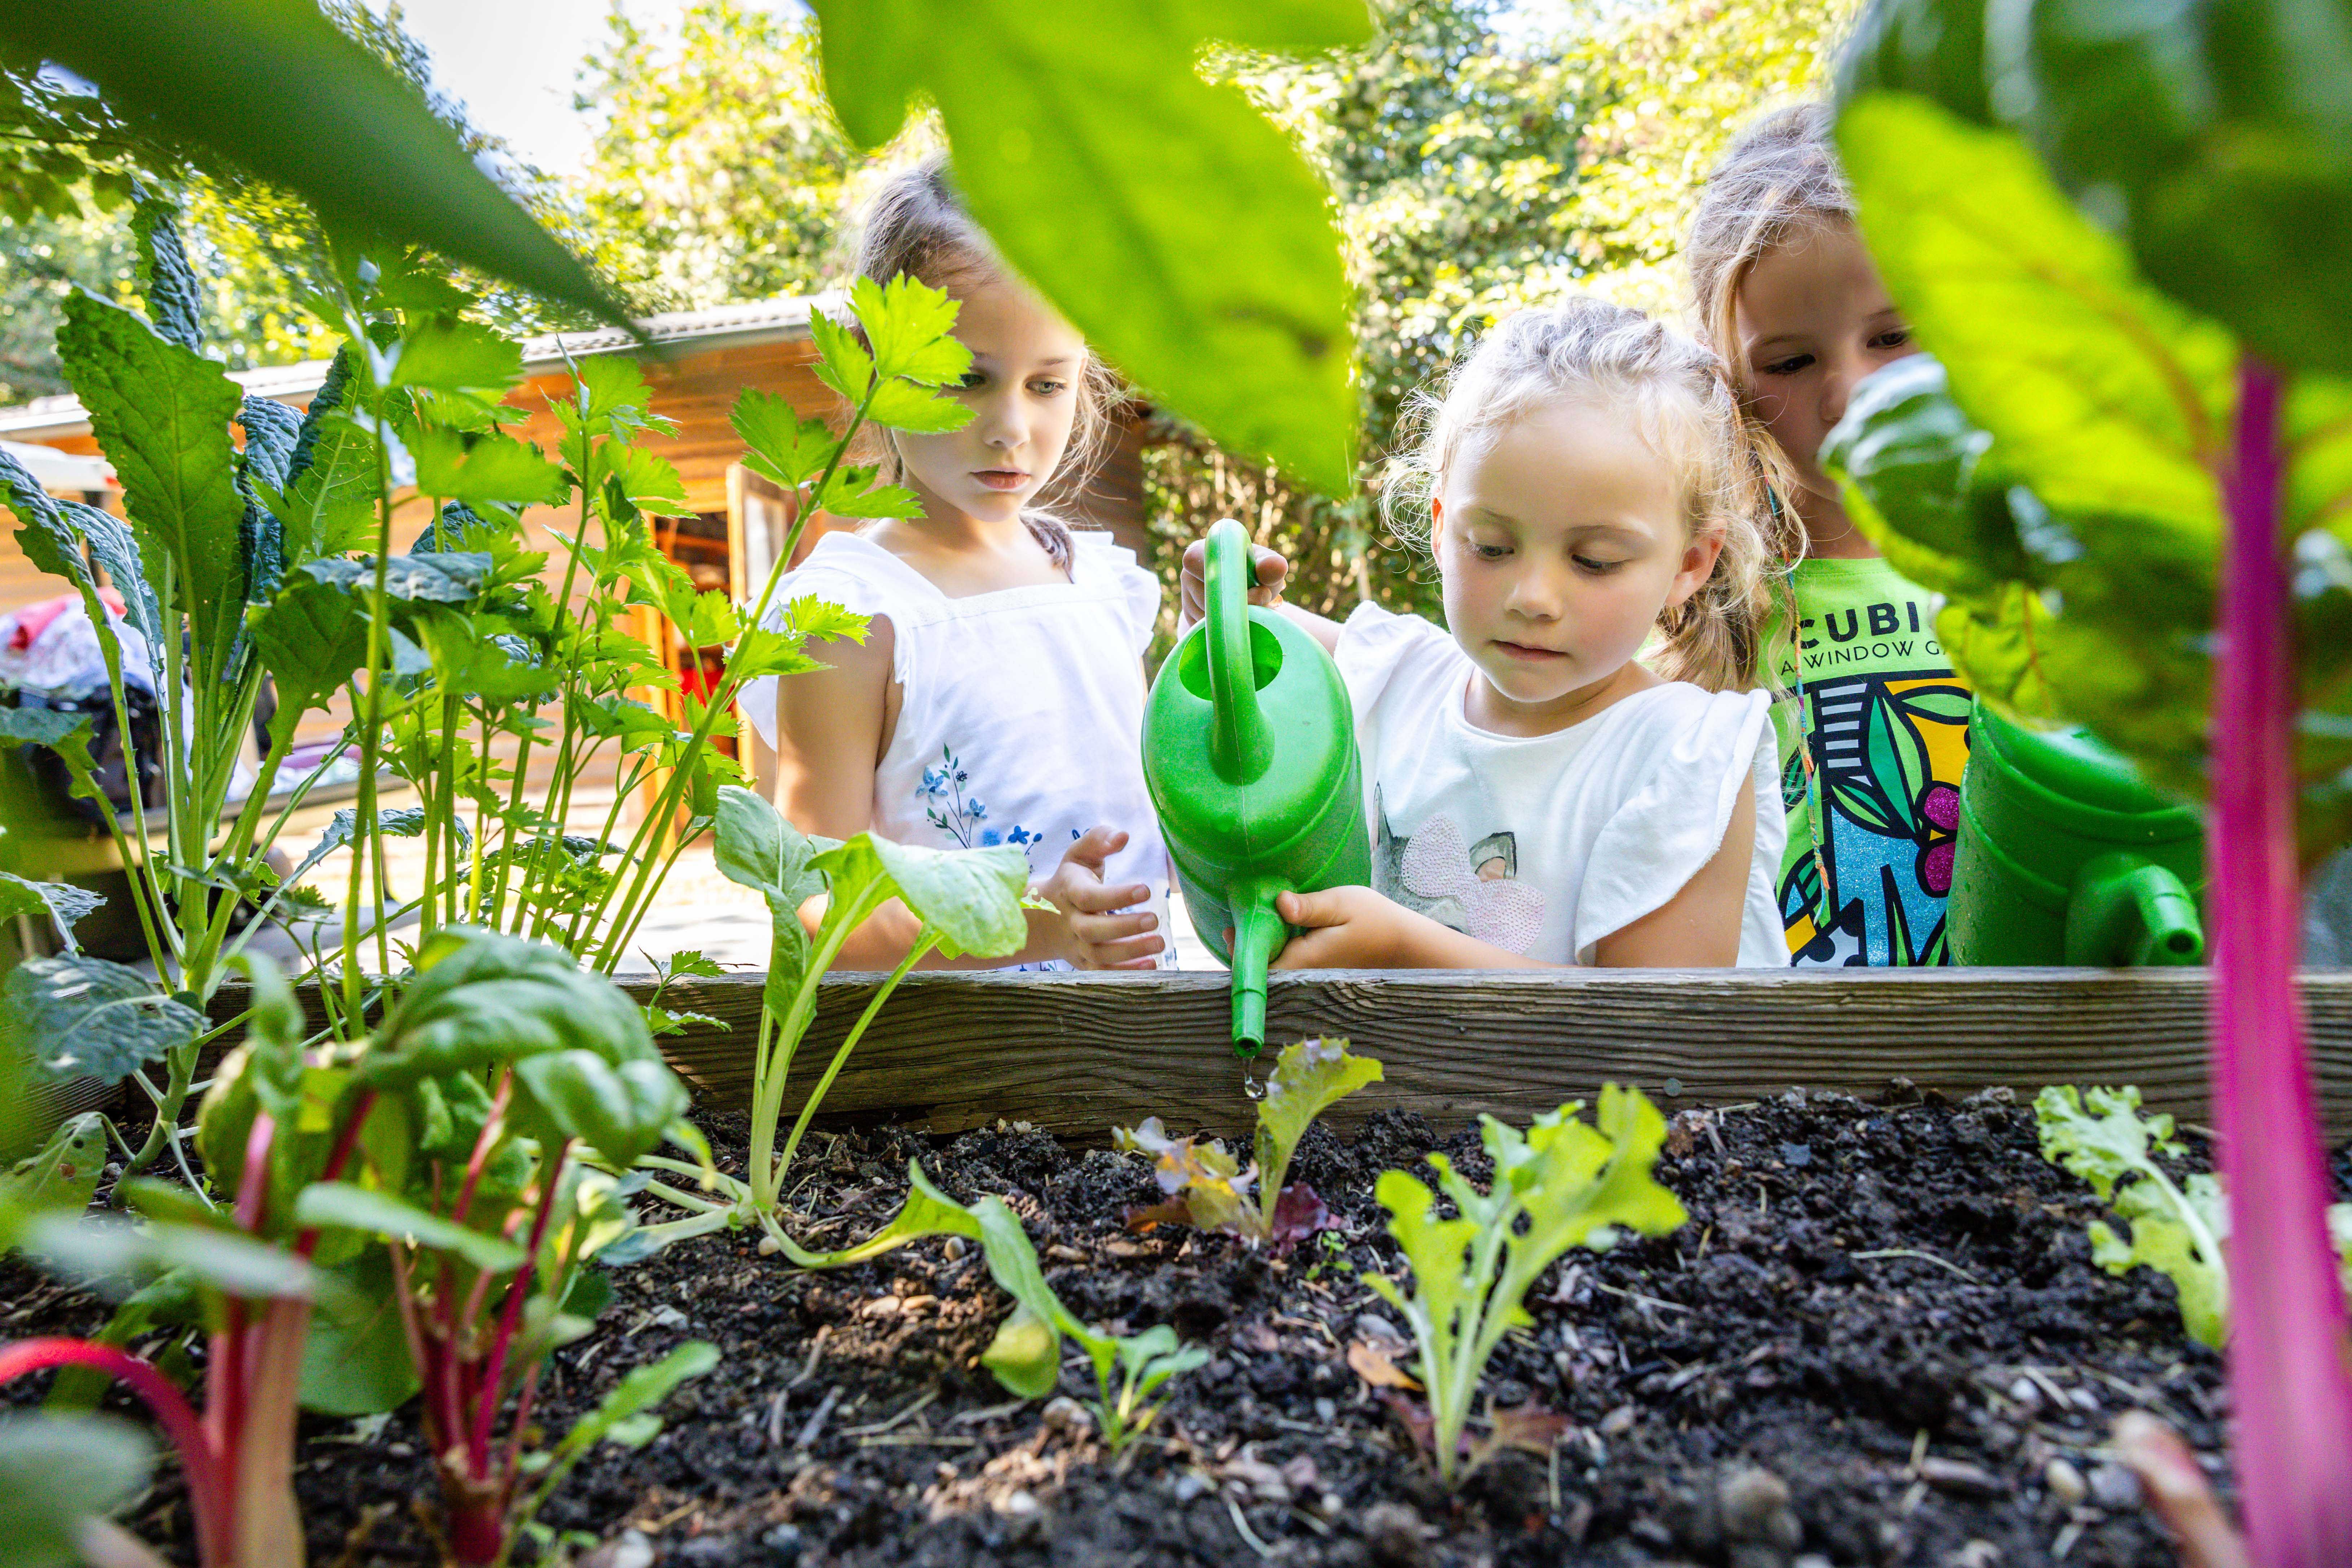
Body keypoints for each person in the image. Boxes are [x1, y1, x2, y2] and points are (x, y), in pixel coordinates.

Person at [1185, 297, 1787, 969]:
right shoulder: (1392, 678)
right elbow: (1241, 646)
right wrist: (1220, 601)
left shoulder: (1682, 759)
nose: (1533, 597)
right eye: (1492, 547)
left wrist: (1407, 950)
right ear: (1442, 527)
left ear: (1690, 563)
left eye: (1595, 561)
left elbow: (1656, 1036)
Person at [741, 155, 1172, 971]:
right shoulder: (849, 613)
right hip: (962, 1076)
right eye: (968, 378)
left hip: (1148, 1058)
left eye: (1047, 385)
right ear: (873, 363)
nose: (1011, 427)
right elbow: (815, 915)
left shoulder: (1099, 583)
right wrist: (1039, 923)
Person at [1687, 101, 1975, 967]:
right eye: (1788, 361)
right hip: (1783, 1066)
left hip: (2008, 1049)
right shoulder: (1698, 594)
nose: (1846, 393)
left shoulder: (2032, 572)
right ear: (1730, 383)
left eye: (1891, 337)